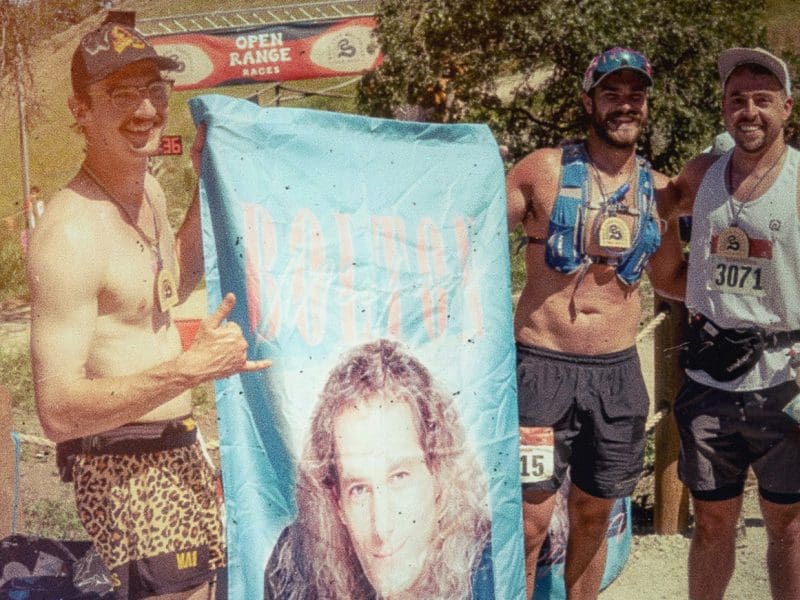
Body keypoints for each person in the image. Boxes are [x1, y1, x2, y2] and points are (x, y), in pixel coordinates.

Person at [26, 20, 271, 600]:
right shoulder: (70, 233)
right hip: (125, 467)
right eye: (120, 95)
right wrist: (187, 371)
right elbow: (56, 411)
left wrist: (206, 184)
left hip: (176, 451)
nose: (144, 109)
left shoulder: (149, 193)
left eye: (154, 91)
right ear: (80, 110)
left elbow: (169, 283)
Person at [505, 47, 686, 599]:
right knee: (529, 521)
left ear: (647, 106)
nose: (625, 104)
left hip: (616, 379)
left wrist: (753, 285)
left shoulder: (658, 191)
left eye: (636, 95)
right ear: (589, 101)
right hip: (541, 372)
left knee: (593, 515)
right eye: (612, 93)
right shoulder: (542, 170)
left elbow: (672, 278)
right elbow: (471, 232)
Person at [667, 47, 800, 600]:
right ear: (723, 107)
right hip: (711, 379)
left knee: (787, 527)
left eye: (762, 100)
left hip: (785, 380)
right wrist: (676, 280)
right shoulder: (703, 173)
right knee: (711, 523)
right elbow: (656, 215)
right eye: (737, 99)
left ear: (787, 108)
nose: (749, 112)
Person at [263, 339, 493, 599]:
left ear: (439, 477)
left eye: (399, 477)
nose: (381, 530)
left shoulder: (493, 571)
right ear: (338, 504)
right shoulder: (295, 574)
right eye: (359, 489)